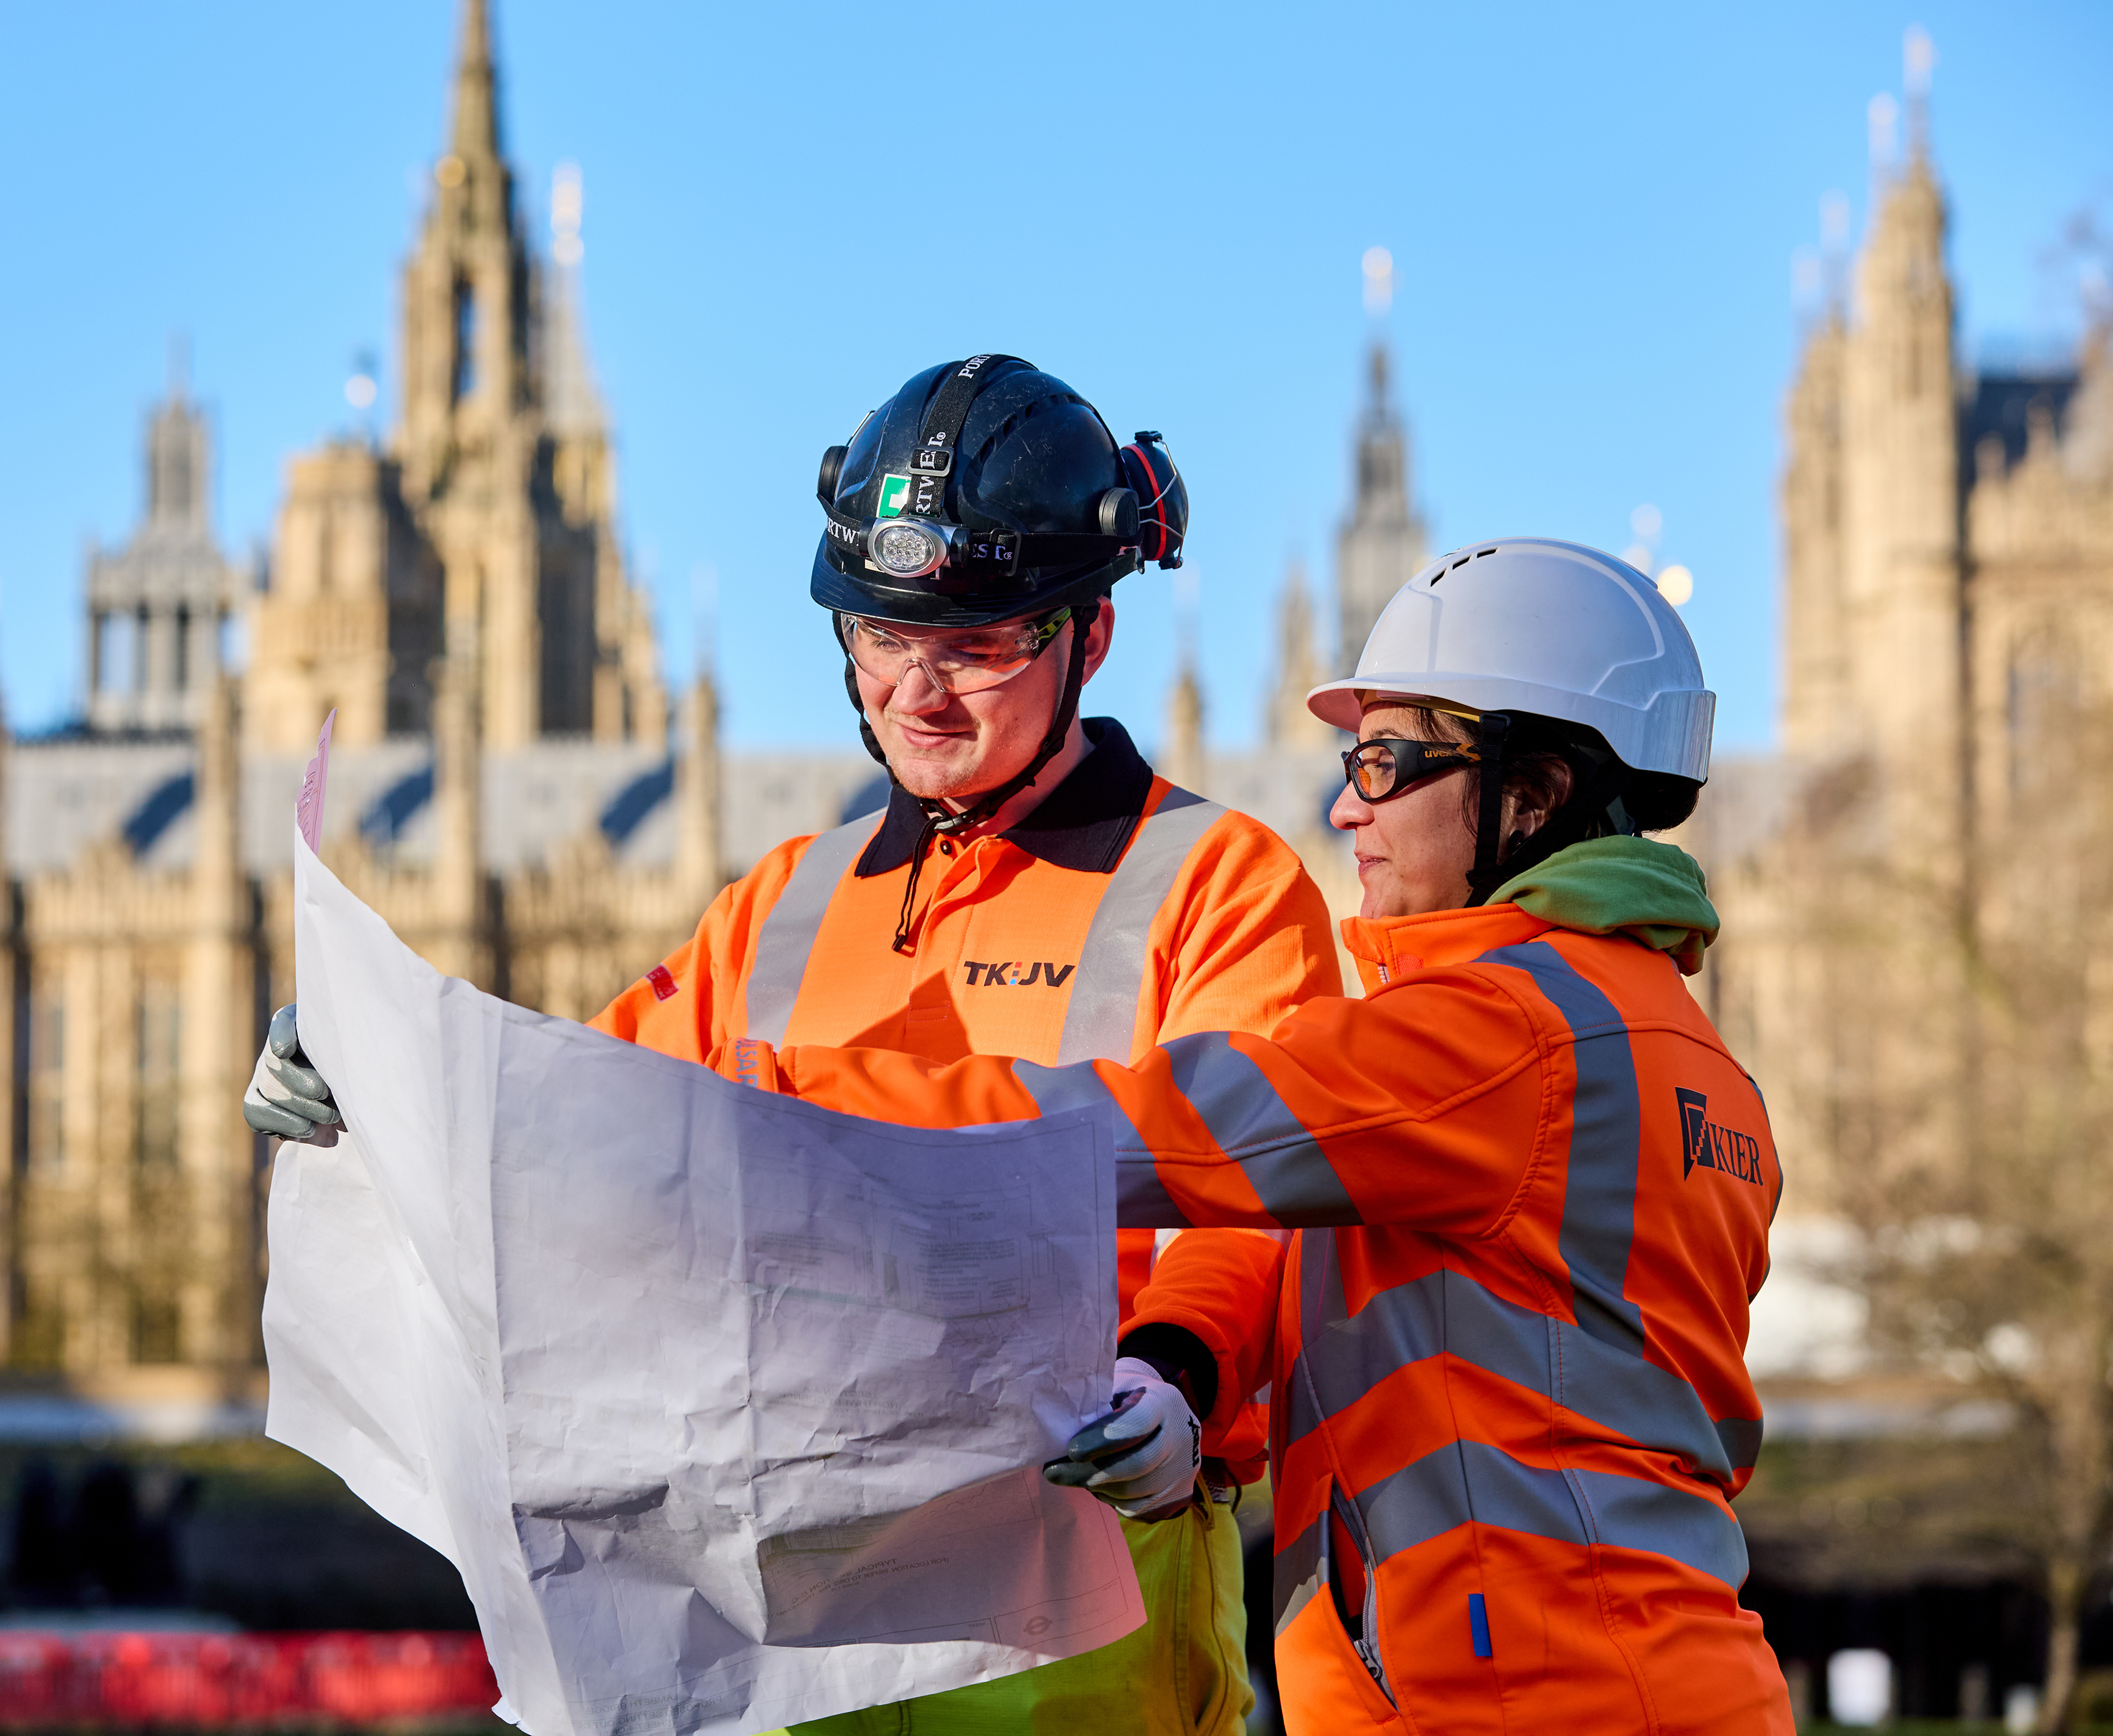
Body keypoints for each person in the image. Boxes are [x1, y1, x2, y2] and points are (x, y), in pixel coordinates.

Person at [249, 355, 1346, 1734]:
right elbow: (569, 1131)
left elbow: (1249, 1188)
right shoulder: (780, 907)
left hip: (1076, 1631)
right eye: (882, 639)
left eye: (978, 644)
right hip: (779, 1642)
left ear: (1088, 635)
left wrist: (1176, 1366)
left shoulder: (1218, 884)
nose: (918, 692)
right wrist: (364, 1078)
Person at [744, 539, 1798, 1735]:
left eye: (1390, 763)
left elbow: (1141, 1135)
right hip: (1645, 1677)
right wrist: (1183, 1358)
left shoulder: (1498, 1038)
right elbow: (1321, 1262)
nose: (1349, 804)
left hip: (1534, 1702)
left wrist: (760, 1101)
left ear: (1535, 794)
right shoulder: (1682, 1057)